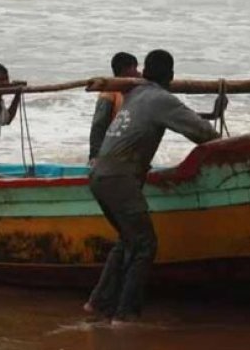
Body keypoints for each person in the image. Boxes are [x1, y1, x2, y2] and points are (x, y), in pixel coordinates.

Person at [84, 49, 227, 326]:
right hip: (119, 180)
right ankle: (125, 316)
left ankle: (98, 302)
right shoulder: (160, 99)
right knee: (144, 245)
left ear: (145, 72)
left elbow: (177, 115)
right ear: (170, 76)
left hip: (99, 176)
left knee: (127, 240)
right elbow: (204, 134)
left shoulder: (136, 93)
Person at [89, 52, 140, 162]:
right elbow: (99, 125)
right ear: (127, 70)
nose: (138, 72)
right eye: (135, 68)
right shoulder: (109, 92)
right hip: (112, 148)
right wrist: (94, 155)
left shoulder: (136, 90)